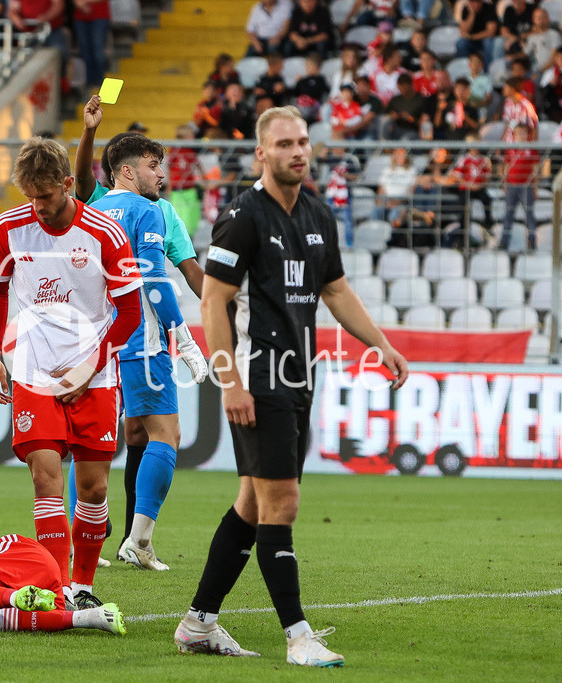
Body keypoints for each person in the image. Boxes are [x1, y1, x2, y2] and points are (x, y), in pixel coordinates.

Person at [173, 106, 408, 664]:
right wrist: (229, 382)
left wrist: (381, 343)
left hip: (300, 373)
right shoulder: (242, 217)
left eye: (303, 141)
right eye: (284, 144)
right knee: (284, 501)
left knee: (254, 503)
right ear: (261, 153)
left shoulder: (318, 215)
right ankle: (298, 636)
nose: (297, 151)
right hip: (257, 374)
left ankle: (198, 623)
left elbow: (337, 291)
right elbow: (213, 300)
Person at [0, 137, 142, 610]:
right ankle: (56, 587)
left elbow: (129, 312)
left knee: (93, 488)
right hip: (33, 367)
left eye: (46, 196)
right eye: (30, 196)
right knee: (45, 477)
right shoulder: (8, 227)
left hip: (94, 374)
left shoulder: (105, 233)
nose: (38, 206)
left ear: (69, 184)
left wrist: (88, 367)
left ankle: (83, 583)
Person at [73, 97, 206, 548]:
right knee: (165, 433)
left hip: (95, 339)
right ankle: (140, 539)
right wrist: (182, 336)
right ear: (127, 171)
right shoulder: (148, 210)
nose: (163, 175)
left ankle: (85, 537)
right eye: (154, 166)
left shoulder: (92, 211)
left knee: (98, 440)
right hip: (138, 338)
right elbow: (152, 279)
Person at [501, 124, 540, 249]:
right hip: (512, 185)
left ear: (527, 135)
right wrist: (505, 183)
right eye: (518, 133)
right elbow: (506, 167)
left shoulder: (532, 149)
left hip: (526, 186)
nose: (521, 136)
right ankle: (504, 242)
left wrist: (535, 187)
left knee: (529, 214)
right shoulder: (510, 149)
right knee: (508, 214)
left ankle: (532, 240)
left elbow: (535, 169)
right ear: (514, 135)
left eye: (523, 133)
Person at [447, 133, 494, 230]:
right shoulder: (464, 159)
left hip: (479, 188)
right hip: (466, 188)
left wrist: (479, 185)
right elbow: (456, 176)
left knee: (487, 200)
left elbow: (487, 177)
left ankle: (488, 224)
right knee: (463, 203)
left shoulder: (484, 160)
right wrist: (469, 184)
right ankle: (463, 227)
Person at [73, 0, 110, 88]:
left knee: (97, 46)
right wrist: (78, 3)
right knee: (84, 48)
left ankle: (99, 79)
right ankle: (88, 81)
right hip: (80, 16)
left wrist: (84, 2)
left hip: (99, 15)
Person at [455, 0, 500, 66]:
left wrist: (472, 37)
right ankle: (463, 68)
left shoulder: (489, 8)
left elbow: (491, 32)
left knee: (487, 43)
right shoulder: (466, 9)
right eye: (472, 2)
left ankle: (487, 69)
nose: (475, 5)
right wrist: (472, 14)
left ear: (481, 2)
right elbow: (463, 30)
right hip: (472, 41)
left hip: (485, 39)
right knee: (460, 43)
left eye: (477, 2)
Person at [291, 54, 329, 123]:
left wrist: (301, 82)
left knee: (304, 111)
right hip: (301, 104)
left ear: (315, 66)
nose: (306, 68)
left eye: (308, 66)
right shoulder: (304, 79)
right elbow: (295, 93)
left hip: (314, 106)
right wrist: (298, 83)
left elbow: (313, 92)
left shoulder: (321, 80)